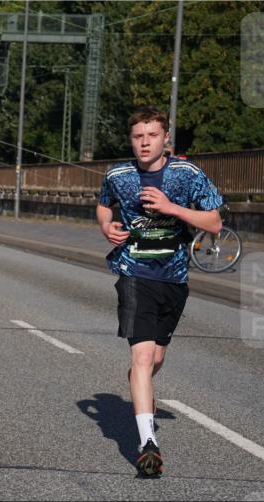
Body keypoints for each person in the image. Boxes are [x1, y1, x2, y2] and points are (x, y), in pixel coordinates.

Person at [96, 106, 223, 478]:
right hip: (133, 271)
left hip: (174, 276)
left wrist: (172, 208)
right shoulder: (118, 175)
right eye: (138, 137)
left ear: (166, 138)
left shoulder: (187, 174)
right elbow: (104, 207)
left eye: (152, 135)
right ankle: (147, 444)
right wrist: (107, 228)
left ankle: (140, 382)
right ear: (131, 140)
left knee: (153, 360)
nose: (145, 143)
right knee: (141, 357)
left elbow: (214, 222)